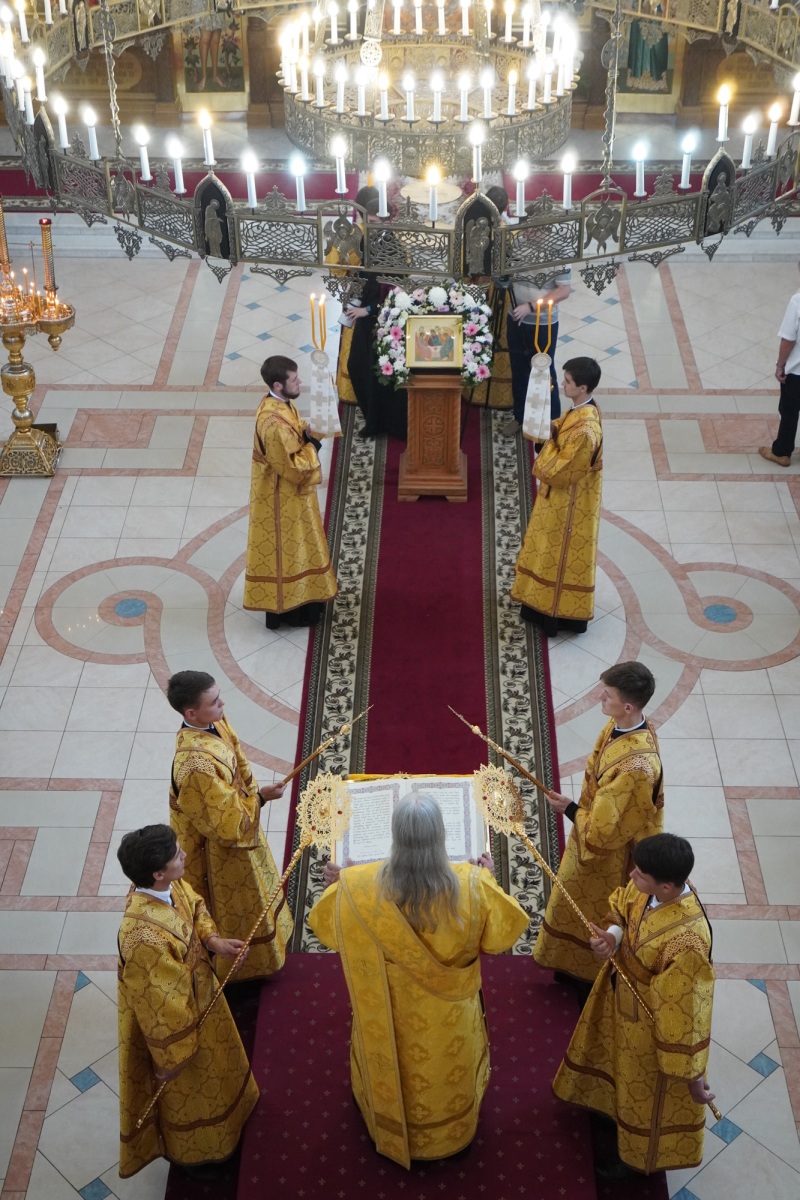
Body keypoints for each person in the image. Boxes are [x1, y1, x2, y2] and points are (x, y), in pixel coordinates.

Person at [308, 793, 529, 1169]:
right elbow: (502, 937)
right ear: (441, 835)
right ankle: (452, 1130)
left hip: (390, 1012)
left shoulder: (360, 887)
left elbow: (326, 928)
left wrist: (339, 887)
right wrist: (489, 879)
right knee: (445, 1071)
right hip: (450, 1020)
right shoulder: (473, 885)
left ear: (395, 837)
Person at [553, 833, 715, 1180]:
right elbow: (622, 907)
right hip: (617, 994)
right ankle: (606, 1108)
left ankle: (634, 1161)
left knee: (641, 1091)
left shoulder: (688, 942)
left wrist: (693, 1074)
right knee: (612, 1059)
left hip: (650, 1030)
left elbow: (686, 1014)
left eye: (639, 874)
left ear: (667, 887)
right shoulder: (648, 888)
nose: (631, 876)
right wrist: (612, 937)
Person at [116, 824, 259, 1179]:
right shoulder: (143, 938)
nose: (184, 855)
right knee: (197, 1087)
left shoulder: (169, 884)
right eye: (177, 854)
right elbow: (160, 1007)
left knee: (221, 1065)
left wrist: (213, 941)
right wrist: (173, 1057)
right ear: (157, 873)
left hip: (202, 998)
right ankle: (205, 1152)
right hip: (180, 1033)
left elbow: (194, 905)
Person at [534, 661, 664, 984]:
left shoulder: (636, 768)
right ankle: (567, 965)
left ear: (628, 706)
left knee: (591, 911)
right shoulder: (620, 725)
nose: (599, 699)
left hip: (608, 856)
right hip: (592, 826)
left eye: (607, 696)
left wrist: (570, 809)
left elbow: (602, 834)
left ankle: (585, 978)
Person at [166, 670, 293, 982]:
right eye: (214, 701)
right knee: (233, 907)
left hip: (242, 818)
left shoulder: (216, 720)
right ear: (191, 713)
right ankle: (238, 968)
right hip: (217, 851)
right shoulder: (194, 765)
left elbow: (238, 756)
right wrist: (258, 800)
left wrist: (254, 793)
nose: (222, 703)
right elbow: (224, 825)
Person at [510, 356, 603, 637]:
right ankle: (536, 601)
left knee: (556, 551)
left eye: (568, 381)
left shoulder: (587, 430)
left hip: (570, 504)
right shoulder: (580, 410)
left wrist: (546, 445)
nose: (562, 384)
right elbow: (561, 428)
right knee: (544, 547)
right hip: (560, 499)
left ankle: (553, 613)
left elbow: (562, 471)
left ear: (583, 387)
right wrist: (545, 428)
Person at [243, 355, 338, 629]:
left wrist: (305, 434)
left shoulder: (281, 404)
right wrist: (314, 444)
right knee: (290, 550)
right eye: (294, 379)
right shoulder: (272, 424)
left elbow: (292, 437)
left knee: (302, 545)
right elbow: (293, 469)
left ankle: (307, 598)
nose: (300, 382)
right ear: (278, 384)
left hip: (289, 495)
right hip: (279, 499)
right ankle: (293, 611)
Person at [346, 195, 408, 440]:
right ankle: (373, 417)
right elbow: (364, 275)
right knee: (357, 366)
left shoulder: (393, 249)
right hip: (365, 314)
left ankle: (379, 423)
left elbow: (396, 291)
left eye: (373, 222)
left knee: (376, 371)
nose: (368, 227)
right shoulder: (367, 239)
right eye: (366, 221)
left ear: (386, 221)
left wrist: (368, 310)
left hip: (382, 320)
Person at [501, 261, 572, 437]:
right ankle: (520, 417)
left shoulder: (561, 251)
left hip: (543, 322)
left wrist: (531, 306)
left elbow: (564, 290)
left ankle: (552, 420)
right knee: (519, 369)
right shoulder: (517, 246)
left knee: (544, 370)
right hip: (516, 317)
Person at [760, 259, 800, 467]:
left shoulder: (797, 301)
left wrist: (780, 365)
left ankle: (782, 452)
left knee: (790, 410)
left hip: (797, 372)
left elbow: (788, 340)